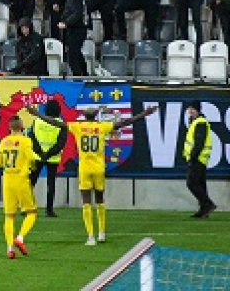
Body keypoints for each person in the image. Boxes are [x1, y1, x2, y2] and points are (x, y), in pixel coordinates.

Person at [27, 103, 158, 244]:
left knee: (86, 201)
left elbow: (55, 122)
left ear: (84, 116)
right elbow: (125, 122)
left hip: (84, 168)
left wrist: (36, 114)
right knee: (100, 200)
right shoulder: (102, 127)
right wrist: (144, 113)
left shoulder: (78, 127)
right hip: (98, 168)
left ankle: (90, 236)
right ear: (95, 117)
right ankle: (101, 233)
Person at [0, 115, 38, 260]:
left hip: (7, 180)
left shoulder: (3, 141)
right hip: (21, 179)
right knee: (31, 213)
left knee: (9, 216)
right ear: (22, 127)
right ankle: (20, 238)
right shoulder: (25, 141)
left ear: (10, 128)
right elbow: (31, 158)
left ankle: (9, 249)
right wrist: (32, 167)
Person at [28, 98, 66, 217]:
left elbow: (31, 138)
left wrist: (40, 152)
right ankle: (49, 210)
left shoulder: (37, 121)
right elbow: (61, 143)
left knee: (31, 182)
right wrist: (49, 153)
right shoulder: (61, 123)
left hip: (37, 156)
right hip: (53, 157)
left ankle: (27, 208)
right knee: (51, 184)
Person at [183, 100, 215, 219]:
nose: (190, 111)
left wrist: (193, 157)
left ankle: (207, 204)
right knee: (200, 184)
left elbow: (199, 142)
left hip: (198, 158)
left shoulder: (200, 122)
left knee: (191, 183)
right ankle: (204, 210)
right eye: (189, 108)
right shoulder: (195, 121)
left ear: (198, 109)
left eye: (192, 108)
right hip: (200, 158)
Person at [56, 0, 87, 77]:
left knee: (72, 55)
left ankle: (78, 77)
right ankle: (84, 74)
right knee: (76, 53)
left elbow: (76, 14)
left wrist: (66, 23)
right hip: (80, 29)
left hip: (75, 30)